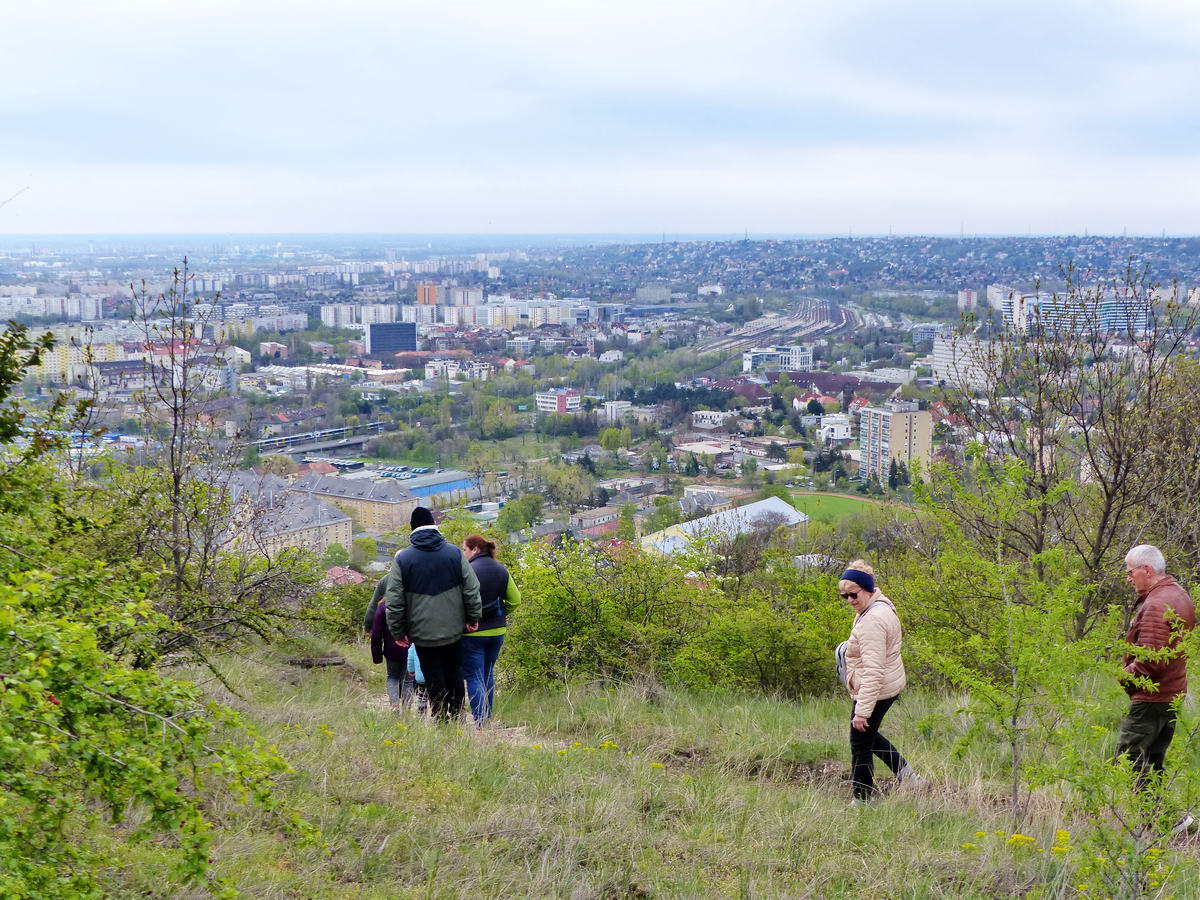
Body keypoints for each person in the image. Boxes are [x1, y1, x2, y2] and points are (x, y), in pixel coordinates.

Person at [384, 507, 482, 719]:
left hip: (422, 633)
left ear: (412, 529)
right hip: (453, 629)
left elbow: (394, 600)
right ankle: (456, 716)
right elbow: (472, 589)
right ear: (434, 526)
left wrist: (398, 631)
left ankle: (440, 717)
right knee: (454, 673)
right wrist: (473, 617)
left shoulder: (403, 559)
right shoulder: (455, 553)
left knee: (432, 676)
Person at [838, 559, 921, 802]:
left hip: (876, 688)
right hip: (887, 684)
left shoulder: (872, 620)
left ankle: (863, 799)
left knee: (860, 743)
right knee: (869, 735)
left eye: (853, 594)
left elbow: (874, 669)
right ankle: (909, 778)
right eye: (845, 596)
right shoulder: (879, 606)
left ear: (867, 588)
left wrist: (862, 711)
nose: (850, 600)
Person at [1118, 545, 1196, 796]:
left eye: (1130, 572)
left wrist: (1125, 676)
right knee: (1152, 760)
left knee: (1129, 758)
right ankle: (1163, 823)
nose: (1128, 578)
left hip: (1153, 696)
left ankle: (1161, 818)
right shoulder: (1178, 595)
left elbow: (1151, 660)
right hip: (1172, 693)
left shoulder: (1158, 603)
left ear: (1147, 570)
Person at [461, 534, 521, 726]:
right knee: (488, 673)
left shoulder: (468, 570)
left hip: (472, 632)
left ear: (475, 549)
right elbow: (515, 600)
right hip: (497, 630)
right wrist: (502, 613)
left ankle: (480, 721)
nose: (464, 553)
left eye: (465, 549)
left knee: (474, 675)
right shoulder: (502, 569)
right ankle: (487, 716)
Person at [370, 594, 409, 709]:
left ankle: (394, 705)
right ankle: (407, 709)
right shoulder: (412, 605)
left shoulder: (383, 607)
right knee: (408, 680)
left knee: (392, 677)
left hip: (391, 650)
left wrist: (377, 656)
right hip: (410, 648)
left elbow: (376, 634)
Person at [407, 643, 428, 713]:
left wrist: (411, 670)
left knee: (421, 695)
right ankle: (437, 712)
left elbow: (410, 657)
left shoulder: (416, 642)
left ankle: (421, 713)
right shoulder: (436, 640)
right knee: (435, 695)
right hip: (434, 676)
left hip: (420, 676)